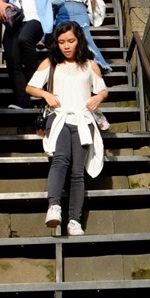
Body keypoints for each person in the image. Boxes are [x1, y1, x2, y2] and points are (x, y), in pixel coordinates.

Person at [26, 21, 109, 235]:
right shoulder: (50, 63)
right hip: (59, 117)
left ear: (79, 40)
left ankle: (74, 220)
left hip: (83, 120)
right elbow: (30, 87)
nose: (66, 46)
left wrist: (98, 97)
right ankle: (54, 207)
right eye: (62, 42)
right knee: (60, 159)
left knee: (77, 172)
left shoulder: (90, 65)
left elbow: (103, 90)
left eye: (71, 41)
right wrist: (46, 94)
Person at [55, 0, 111, 74]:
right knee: (61, 37)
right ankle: (56, 65)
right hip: (64, 11)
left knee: (86, 39)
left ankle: (101, 65)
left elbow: (92, 4)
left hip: (80, 12)